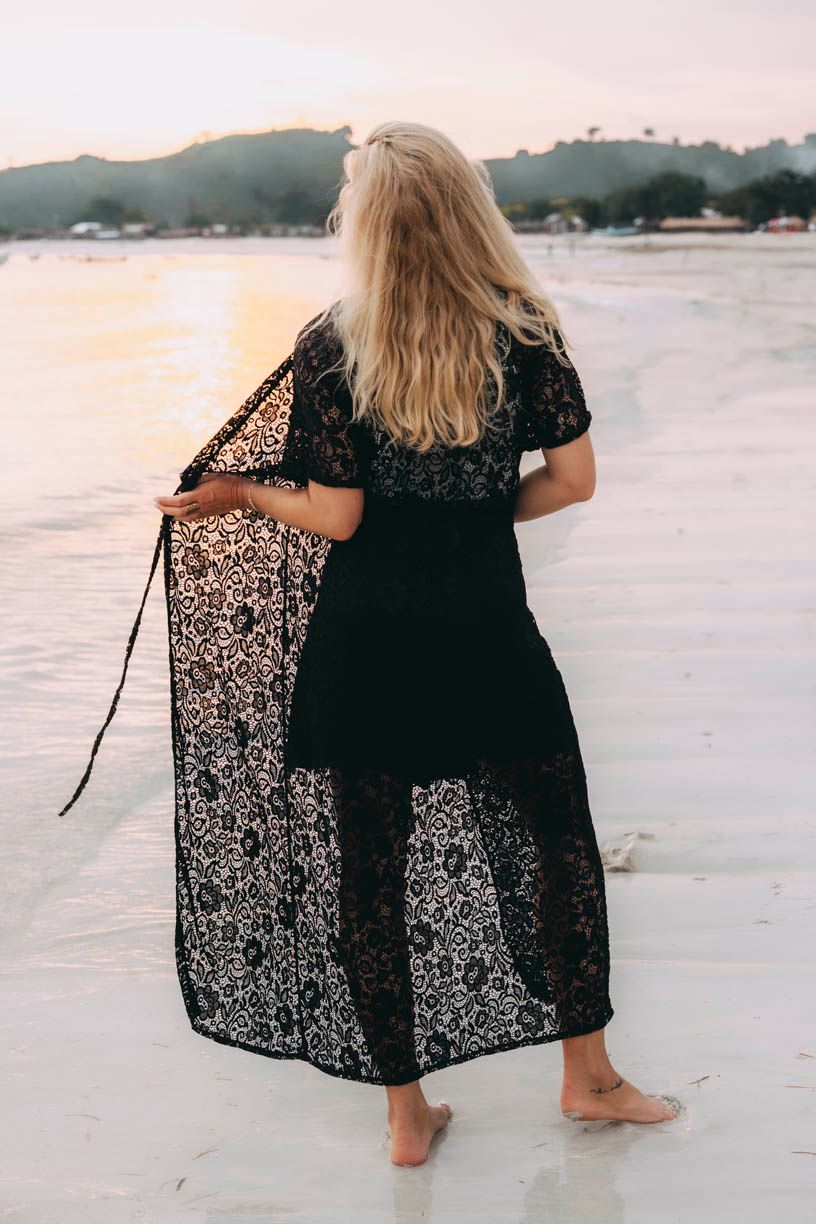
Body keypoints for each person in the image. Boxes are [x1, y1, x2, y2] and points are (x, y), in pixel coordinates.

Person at [154, 121, 677, 1168]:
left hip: (365, 646)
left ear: (368, 224)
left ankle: (405, 1117)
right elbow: (573, 481)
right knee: (556, 850)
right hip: (488, 635)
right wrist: (475, 517)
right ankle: (589, 1079)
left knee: (371, 874)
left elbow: (339, 517)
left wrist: (244, 493)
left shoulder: (333, 343)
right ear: (468, 209)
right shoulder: (523, 328)